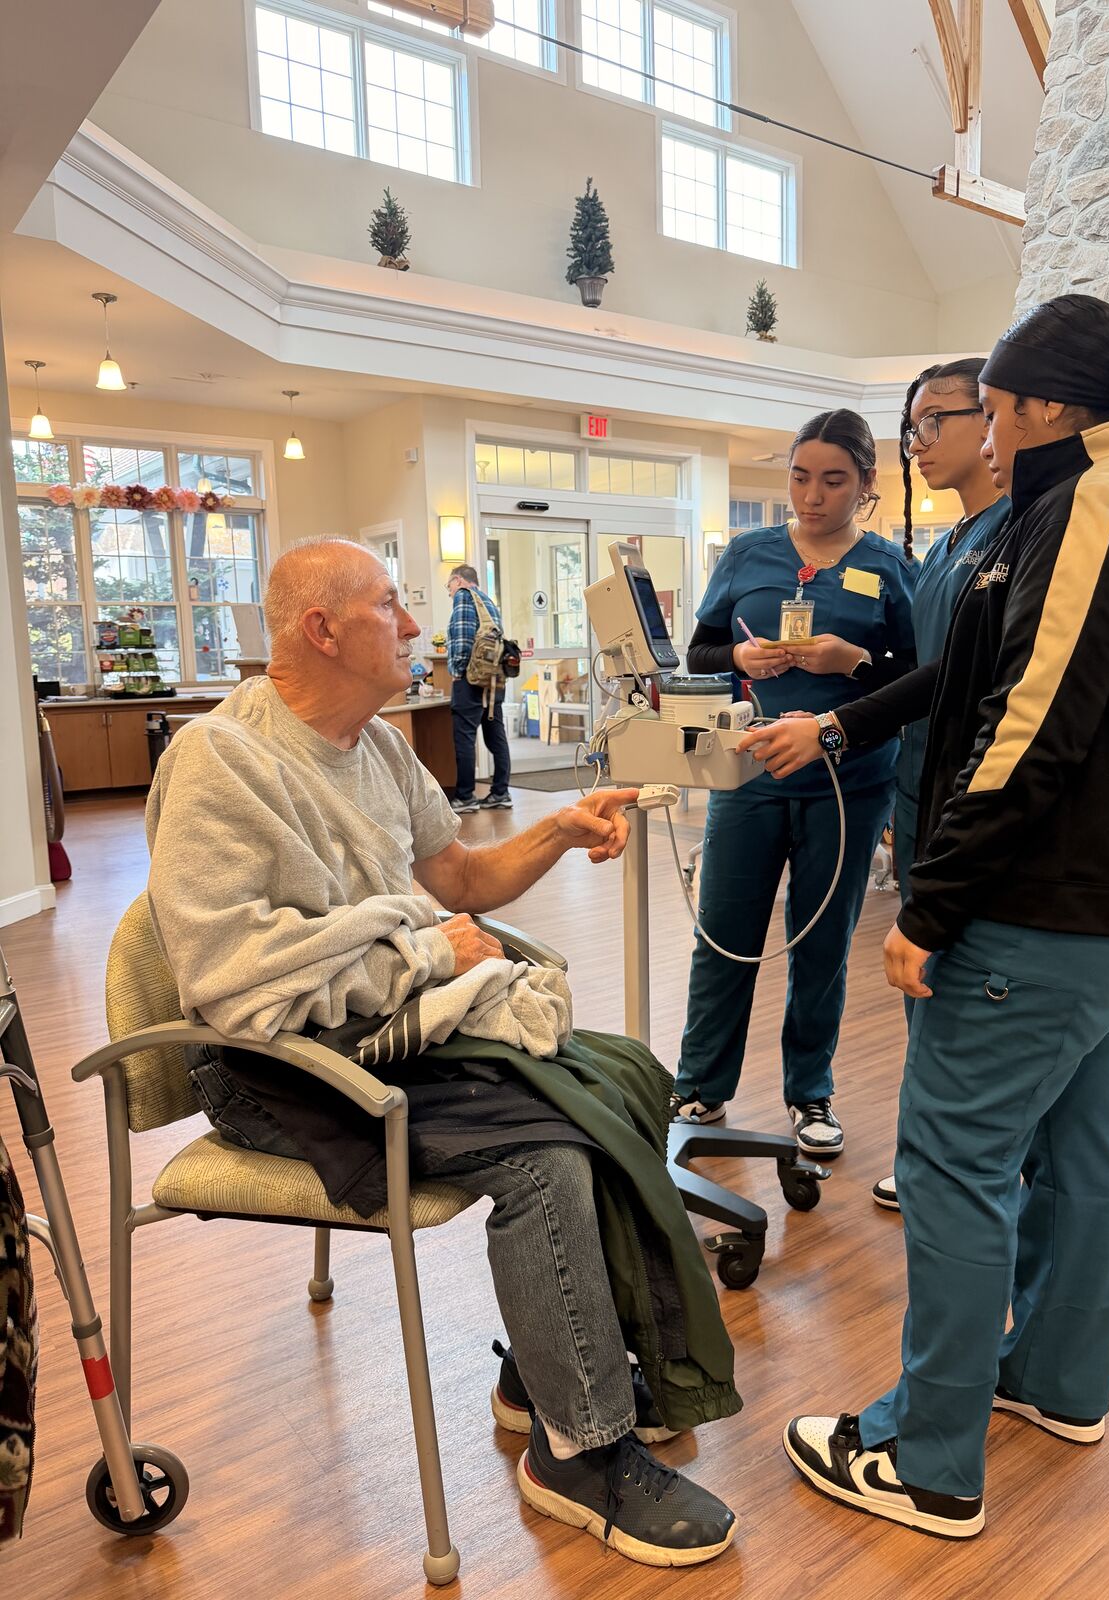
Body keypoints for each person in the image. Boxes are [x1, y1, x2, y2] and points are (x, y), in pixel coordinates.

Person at [145, 538, 739, 1568]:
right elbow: (225, 975)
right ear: (322, 630)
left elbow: (458, 875)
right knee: (546, 1153)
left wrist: (554, 832)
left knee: (628, 1075)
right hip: (273, 1069)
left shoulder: (376, 746)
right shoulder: (222, 761)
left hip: (388, 1033)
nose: (417, 625)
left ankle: (540, 1377)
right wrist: (416, 950)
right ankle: (579, 1452)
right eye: (391, 605)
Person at [745, 296, 1109, 1537]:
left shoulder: (1105, 498)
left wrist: (932, 904)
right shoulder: (1066, 507)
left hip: (1045, 895)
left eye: (988, 410)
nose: (981, 435)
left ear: (1044, 403)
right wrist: (841, 723)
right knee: (1081, 1139)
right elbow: (972, 667)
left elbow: (1034, 721)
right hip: (1100, 902)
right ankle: (1052, 1380)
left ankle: (926, 1453)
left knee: (952, 1161)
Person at [672, 409, 916, 1159]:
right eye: (801, 477)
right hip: (749, 778)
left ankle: (810, 1093)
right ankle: (701, 1084)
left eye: (834, 480)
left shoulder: (891, 569)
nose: (813, 496)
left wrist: (851, 664)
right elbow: (702, 648)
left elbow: (915, 679)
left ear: (866, 484)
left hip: (850, 781)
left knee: (820, 943)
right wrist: (740, 664)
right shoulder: (748, 555)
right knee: (726, 936)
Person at [869, 359, 1011, 1211]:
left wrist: (840, 724)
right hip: (918, 788)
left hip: (969, 797)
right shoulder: (952, 545)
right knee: (920, 991)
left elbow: (970, 682)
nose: (918, 442)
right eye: (910, 427)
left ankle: (946, 1160)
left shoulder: (1013, 541)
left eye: (934, 421)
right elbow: (927, 670)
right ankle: (923, 1152)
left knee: (954, 990)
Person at [446, 562, 511, 814]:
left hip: (471, 681)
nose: (449, 591)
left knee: (464, 738)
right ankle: (500, 792)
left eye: (449, 585)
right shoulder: (488, 602)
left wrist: (457, 671)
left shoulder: (464, 597)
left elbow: (462, 637)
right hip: (494, 681)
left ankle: (465, 796)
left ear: (459, 580)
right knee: (496, 736)